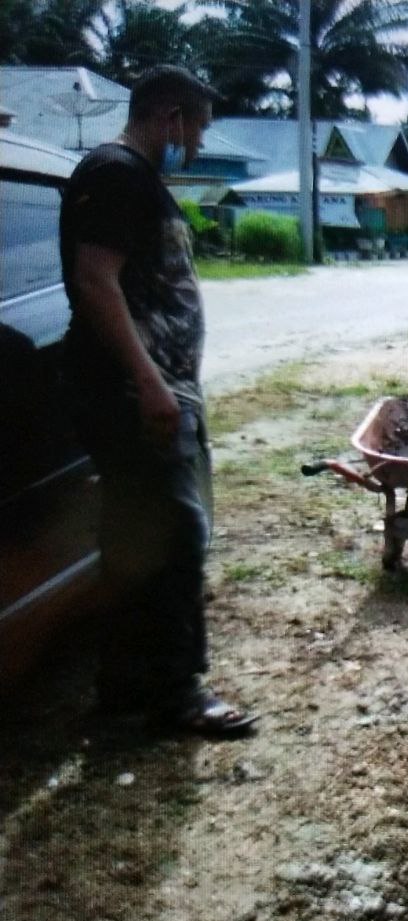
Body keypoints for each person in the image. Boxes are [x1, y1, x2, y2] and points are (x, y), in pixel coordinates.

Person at [59, 65, 257, 737]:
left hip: (151, 390)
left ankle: (124, 692)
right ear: (169, 117)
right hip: (134, 396)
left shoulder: (134, 180)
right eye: (196, 129)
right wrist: (148, 381)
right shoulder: (115, 173)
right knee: (173, 540)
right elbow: (95, 280)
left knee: (139, 545)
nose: (197, 145)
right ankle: (177, 692)